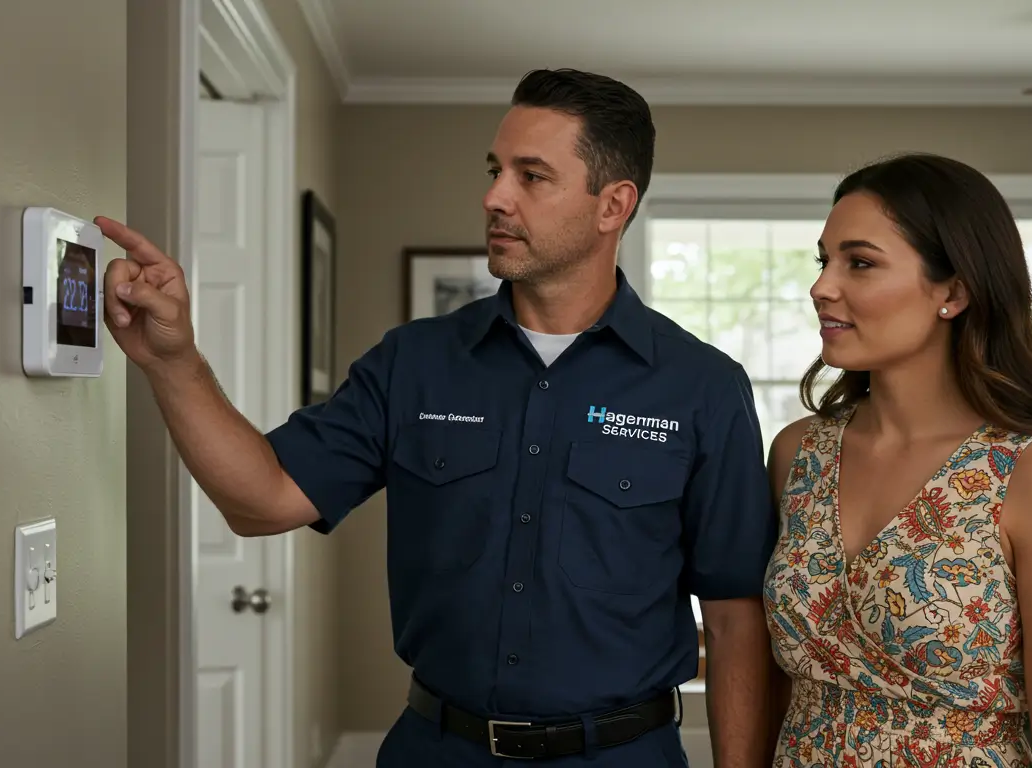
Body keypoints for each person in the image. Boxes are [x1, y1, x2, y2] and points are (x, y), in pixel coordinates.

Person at [97, 68, 778, 767]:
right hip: (437, 749)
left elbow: (734, 617)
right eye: (494, 169)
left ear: (613, 205)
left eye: (531, 176)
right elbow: (261, 499)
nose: (494, 197)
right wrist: (173, 363)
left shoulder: (701, 387)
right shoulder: (414, 362)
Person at [763, 153, 1032, 768]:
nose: (822, 286)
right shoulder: (798, 453)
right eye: (824, 261)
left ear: (952, 291)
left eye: (861, 263)